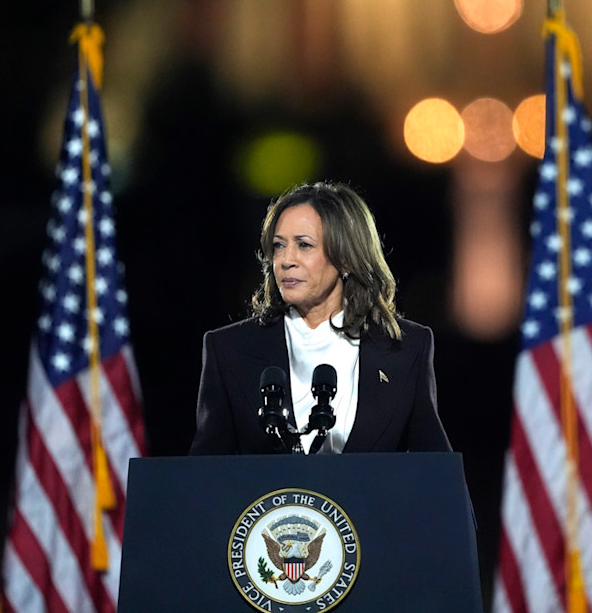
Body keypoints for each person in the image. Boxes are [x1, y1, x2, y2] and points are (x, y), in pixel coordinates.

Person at [189, 181, 452, 455]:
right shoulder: (229, 349)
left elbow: (434, 476)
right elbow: (205, 478)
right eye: (279, 246)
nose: (286, 260)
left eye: (304, 245)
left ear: (347, 257)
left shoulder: (407, 349)